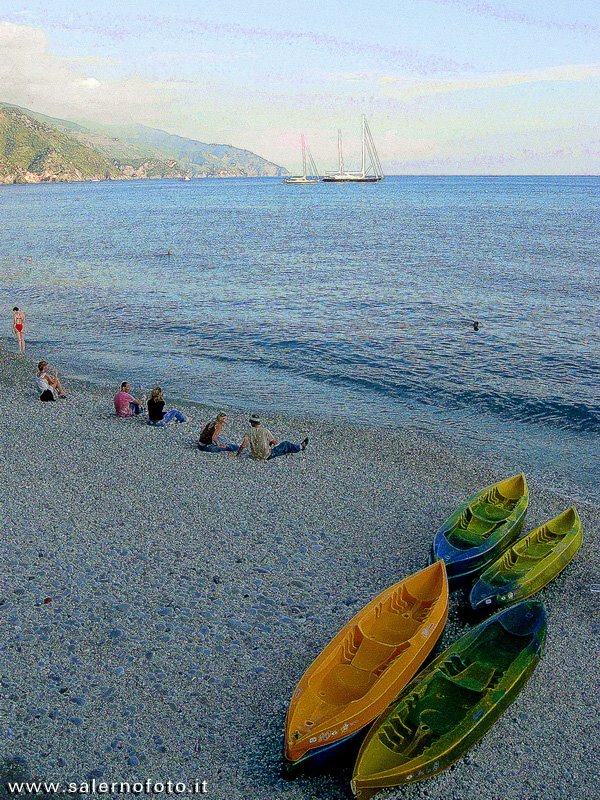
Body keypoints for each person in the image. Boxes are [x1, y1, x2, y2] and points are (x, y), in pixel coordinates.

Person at [236, 414, 308, 460]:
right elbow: (275, 442)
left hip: (255, 456)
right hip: (266, 456)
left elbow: (243, 445)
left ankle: (288, 452)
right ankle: (300, 447)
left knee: (282, 450)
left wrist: (237, 455)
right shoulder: (265, 431)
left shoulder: (249, 433)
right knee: (285, 444)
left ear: (251, 423)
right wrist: (270, 444)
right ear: (259, 422)